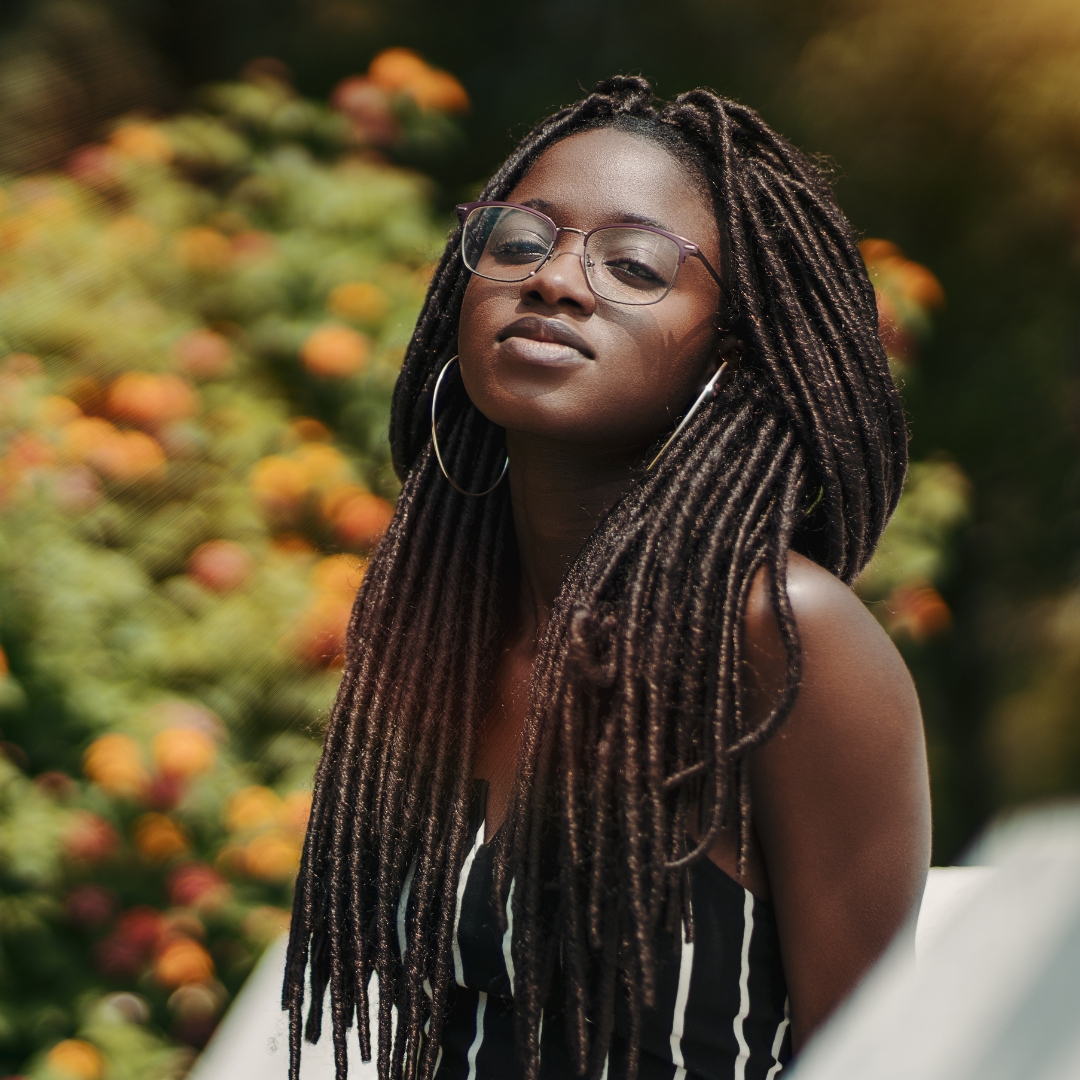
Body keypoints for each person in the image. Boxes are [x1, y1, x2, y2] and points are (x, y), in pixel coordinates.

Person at [284, 76, 931, 1080]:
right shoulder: (449, 621)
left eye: (633, 266)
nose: (554, 280)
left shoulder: (778, 635)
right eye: (518, 242)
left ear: (730, 347)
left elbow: (878, 1061)